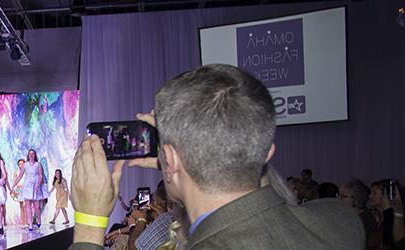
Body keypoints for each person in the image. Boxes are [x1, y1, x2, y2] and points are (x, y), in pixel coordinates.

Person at [69, 64, 364, 249]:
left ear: (169, 162)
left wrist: (88, 225)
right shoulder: (341, 221)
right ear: (267, 153)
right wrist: (177, 162)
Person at [14, 149, 46, 230]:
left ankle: (39, 220)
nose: (31, 155)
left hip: (36, 185)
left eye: (33, 153)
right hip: (27, 185)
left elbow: (41, 175)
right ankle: (30, 224)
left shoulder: (38, 164)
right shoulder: (25, 165)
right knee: (27, 206)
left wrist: (38, 184)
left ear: (35, 155)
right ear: (28, 155)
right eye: (30, 154)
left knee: (37, 206)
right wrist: (13, 185)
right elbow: (20, 176)